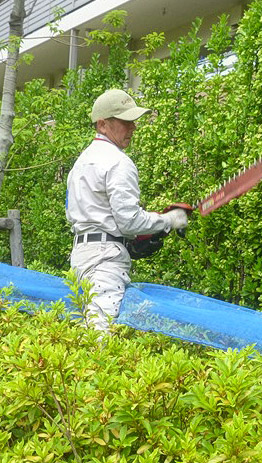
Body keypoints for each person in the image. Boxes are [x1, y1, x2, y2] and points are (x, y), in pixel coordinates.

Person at [65, 89, 189, 332]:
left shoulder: (81, 163)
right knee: (102, 336)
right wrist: (169, 220)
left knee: (82, 330)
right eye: (125, 122)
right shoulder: (118, 162)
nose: (133, 128)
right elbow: (129, 221)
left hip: (80, 256)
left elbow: (94, 218)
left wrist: (130, 241)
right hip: (104, 263)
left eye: (133, 122)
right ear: (102, 124)